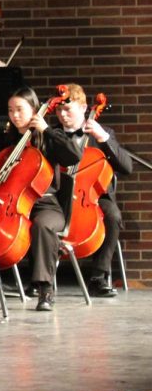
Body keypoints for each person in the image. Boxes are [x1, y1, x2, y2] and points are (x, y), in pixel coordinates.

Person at [2, 87, 81, 311]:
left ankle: (45, 289)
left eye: (19, 109)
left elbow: (75, 155)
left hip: (46, 204)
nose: (14, 115)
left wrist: (46, 130)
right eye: (10, 110)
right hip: (15, 203)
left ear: (35, 110)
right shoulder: (9, 139)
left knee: (42, 225)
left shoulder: (49, 136)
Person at [53, 83, 132, 298]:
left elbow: (126, 167)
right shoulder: (53, 134)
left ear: (83, 107)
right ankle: (40, 279)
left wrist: (103, 139)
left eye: (67, 109)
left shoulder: (103, 133)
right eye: (59, 110)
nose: (62, 115)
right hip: (60, 195)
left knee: (113, 216)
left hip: (93, 197)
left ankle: (98, 277)